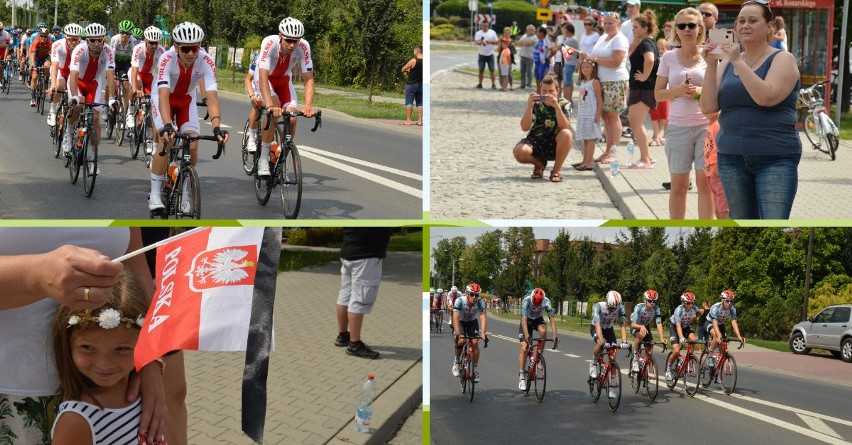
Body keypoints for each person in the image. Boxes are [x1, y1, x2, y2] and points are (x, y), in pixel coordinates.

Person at [0, 228, 170, 445]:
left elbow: (136, 260)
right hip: (15, 395)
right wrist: (37, 274)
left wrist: (150, 357)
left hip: (121, 388)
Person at [700, 0, 801, 219]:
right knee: (743, 228)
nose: (745, 25)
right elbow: (708, 107)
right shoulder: (727, 62)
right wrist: (710, 65)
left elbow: (765, 97)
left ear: (769, 27)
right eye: (741, 21)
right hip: (731, 156)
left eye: (753, 21)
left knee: (771, 228)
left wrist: (738, 61)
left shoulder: (783, 59)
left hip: (775, 157)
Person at [50, 271, 160, 444]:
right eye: (88, 348)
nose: (104, 364)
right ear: (67, 344)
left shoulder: (146, 393)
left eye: (122, 349)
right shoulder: (76, 420)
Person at [149, 22, 229, 213]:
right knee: (165, 141)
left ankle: (185, 191)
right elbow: (163, 95)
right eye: (186, 49)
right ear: (176, 47)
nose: (191, 53)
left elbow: (212, 97)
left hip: (186, 101)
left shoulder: (206, 60)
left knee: (192, 143)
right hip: (163, 98)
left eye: (195, 48)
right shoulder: (167, 59)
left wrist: (216, 127)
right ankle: (154, 195)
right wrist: (167, 125)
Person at [654, 8, 712, 219]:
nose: (687, 29)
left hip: (706, 125)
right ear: (676, 30)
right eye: (682, 26)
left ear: (699, 29)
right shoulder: (669, 57)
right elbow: (658, 95)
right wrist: (678, 90)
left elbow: (720, 91)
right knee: (678, 184)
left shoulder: (709, 55)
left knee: (705, 182)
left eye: (691, 25)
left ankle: (706, 232)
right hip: (678, 127)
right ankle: (676, 229)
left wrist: (700, 93)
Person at [255, 17, 315, 178]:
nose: (292, 45)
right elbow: (262, 77)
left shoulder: (304, 47)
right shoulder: (269, 43)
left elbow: (308, 78)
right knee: (274, 110)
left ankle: (281, 156)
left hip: (283, 80)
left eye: (296, 41)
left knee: (293, 118)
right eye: (289, 40)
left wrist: (308, 105)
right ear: (280, 35)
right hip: (265, 79)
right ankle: (263, 158)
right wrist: (269, 106)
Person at [65, 23, 118, 176]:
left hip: (94, 84)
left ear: (103, 40)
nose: (96, 43)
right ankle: (69, 134)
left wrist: (112, 98)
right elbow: (73, 75)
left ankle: (94, 157)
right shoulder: (79, 50)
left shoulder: (108, 51)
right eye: (92, 40)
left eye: (99, 40)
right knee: (78, 104)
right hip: (78, 82)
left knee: (95, 117)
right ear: (87, 41)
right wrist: (74, 96)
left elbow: (110, 76)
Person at [579, 12, 629, 164]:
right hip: (601, 81)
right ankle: (607, 150)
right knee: (605, 117)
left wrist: (592, 58)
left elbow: (616, 62)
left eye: (610, 23)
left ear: (618, 24)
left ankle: (613, 152)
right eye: (605, 23)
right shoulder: (602, 37)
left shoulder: (620, 39)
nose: (607, 26)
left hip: (615, 81)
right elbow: (595, 58)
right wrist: (586, 58)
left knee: (613, 117)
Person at [335, 228, 392, 359]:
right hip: (366, 255)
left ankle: (343, 336)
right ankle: (354, 345)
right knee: (359, 299)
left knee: (345, 296)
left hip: (349, 252)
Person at [513, 73, 573, 183]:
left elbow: (564, 126)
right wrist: (529, 107)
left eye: (551, 91)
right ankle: (539, 164)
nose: (547, 94)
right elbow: (524, 127)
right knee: (519, 152)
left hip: (555, 143)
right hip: (536, 141)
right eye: (544, 91)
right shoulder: (536, 103)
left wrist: (557, 107)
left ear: (557, 91)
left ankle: (556, 171)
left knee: (567, 134)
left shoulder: (564, 104)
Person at [627, 10, 659, 169]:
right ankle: (648, 157)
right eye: (633, 27)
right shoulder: (646, 41)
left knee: (635, 123)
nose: (633, 30)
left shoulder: (646, 43)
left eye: (636, 27)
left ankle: (645, 160)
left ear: (646, 28)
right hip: (641, 88)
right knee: (636, 123)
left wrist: (645, 76)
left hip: (643, 88)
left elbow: (650, 60)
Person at [130, 26, 166, 156]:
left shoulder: (161, 51)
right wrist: (135, 89)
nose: (154, 46)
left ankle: (149, 137)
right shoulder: (138, 49)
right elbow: (134, 71)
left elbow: (163, 73)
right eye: (151, 42)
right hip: (138, 74)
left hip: (150, 76)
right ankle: (130, 111)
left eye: (156, 43)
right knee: (137, 84)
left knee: (152, 107)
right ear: (145, 40)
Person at [517, 288, 559, 391]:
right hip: (526, 321)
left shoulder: (546, 301)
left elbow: (552, 318)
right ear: (532, 298)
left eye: (538, 305)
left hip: (538, 320)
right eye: (534, 304)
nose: (536, 306)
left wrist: (554, 335)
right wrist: (526, 334)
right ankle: (522, 375)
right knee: (524, 348)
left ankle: (539, 357)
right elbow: (523, 319)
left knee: (544, 331)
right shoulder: (526, 300)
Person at [46, 24, 83, 129]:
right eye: (71, 39)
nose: (74, 42)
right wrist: (53, 85)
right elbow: (55, 65)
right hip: (61, 70)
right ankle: (53, 110)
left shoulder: (84, 46)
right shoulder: (58, 45)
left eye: (76, 39)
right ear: (66, 37)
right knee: (59, 87)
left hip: (75, 73)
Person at [451, 284, 488, 383]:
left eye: (476, 295)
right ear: (467, 294)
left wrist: (483, 332)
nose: (474, 297)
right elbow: (455, 318)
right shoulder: (460, 301)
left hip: (472, 322)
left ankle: (475, 369)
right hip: (461, 321)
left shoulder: (480, 302)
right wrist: (457, 332)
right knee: (462, 340)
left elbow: (483, 317)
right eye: (472, 294)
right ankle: (457, 361)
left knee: (475, 343)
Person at [571, 59, 603, 171]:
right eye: (583, 67)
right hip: (583, 114)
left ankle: (589, 163)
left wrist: (598, 114)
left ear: (593, 68)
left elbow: (599, 99)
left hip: (591, 114)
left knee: (590, 139)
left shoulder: (594, 82)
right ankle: (584, 160)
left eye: (587, 67)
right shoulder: (584, 82)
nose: (585, 69)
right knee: (585, 138)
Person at [589, 290, 628, 378]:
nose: (612, 310)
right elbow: (597, 324)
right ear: (607, 302)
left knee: (613, 356)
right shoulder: (598, 306)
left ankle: (612, 387)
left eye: (615, 309)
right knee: (601, 342)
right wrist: (601, 339)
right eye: (611, 308)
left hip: (609, 329)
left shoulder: (620, 307)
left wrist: (624, 341)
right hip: (596, 327)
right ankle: (593, 363)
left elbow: (623, 324)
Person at [629, 290, 667, 374]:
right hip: (636, 325)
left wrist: (661, 338)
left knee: (650, 346)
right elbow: (632, 324)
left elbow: (658, 323)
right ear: (645, 300)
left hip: (645, 326)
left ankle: (645, 370)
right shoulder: (639, 307)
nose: (652, 303)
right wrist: (641, 326)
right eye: (650, 301)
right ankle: (635, 359)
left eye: (654, 301)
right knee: (640, 336)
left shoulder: (656, 308)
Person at [665, 291, 699, 381]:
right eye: (688, 303)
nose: (691, 305)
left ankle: (688, 360)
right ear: (683, 303)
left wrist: (696, 317)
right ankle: (669, 368)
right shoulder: (679, 310)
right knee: (676, 351)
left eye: (692, 303)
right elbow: (678, 326)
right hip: (675, 327)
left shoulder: (694, 308)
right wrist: (681, 337)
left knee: (694, 339)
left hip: (686, 326)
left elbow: (701, 313)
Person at [705, 290, 745, 363]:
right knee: (716, 335)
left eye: (731, 301)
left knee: (724, 342)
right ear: (722, 300)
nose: (729, 303)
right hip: (710, 322)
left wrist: (739, 336)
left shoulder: (732, 308)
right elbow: (715, 323)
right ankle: (710, 353)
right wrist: (719, 335)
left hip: (720, 324)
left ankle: (719, 360)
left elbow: (734, 323)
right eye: (727, 301)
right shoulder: (716, 307)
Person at [112, 20, 138, 128]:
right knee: (110, 83)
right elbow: (111, 56)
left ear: (130, 34)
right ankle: (107, 104)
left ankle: (125, 109)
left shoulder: (133, 41)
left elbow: (133, 59)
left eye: (127, 33)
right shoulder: (115, 39)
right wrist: (112, 73)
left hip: (126, 63)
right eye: (122, 32)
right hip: (115, 61)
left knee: (127, 84)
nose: (124, 35)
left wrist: (133, 73)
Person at [702, 115, 729, 218]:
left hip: (719, 176)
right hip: (711, 175)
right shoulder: (710, 124)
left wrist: (717, 173)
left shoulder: (719, 124)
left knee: (724, 211)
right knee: (718, 210)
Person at [650, 37, 670, 147]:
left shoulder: (668, 60)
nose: (660, 51)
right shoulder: (654, 60)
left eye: (663, 48)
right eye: (658, 48)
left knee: (664, 116)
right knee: (654, 115)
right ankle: (656, 137)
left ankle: (658, 136)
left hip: (666, 91)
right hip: (654, 91)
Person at [28, 25, 53, 107]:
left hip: (45, 58)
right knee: (34, 77)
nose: (43, 38)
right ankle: (33, 98)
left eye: (45, 36)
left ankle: (45, 81)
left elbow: (51, 54)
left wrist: (53, 64)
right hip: (37, 58)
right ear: (39, 35)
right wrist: (32, 63)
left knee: (47, 66)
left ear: (47, 36)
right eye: (41, 36)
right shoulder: (36, 41)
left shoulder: (49, 42)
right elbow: (33, 54)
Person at [401, 45, 423, 125]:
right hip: (421, 85)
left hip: (411, 84)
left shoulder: (413, 61)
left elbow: (403, 69)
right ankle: (420, 121)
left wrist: (408, 70)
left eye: (414, 51)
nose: (414, 52)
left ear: (417, 51)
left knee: (409, 102)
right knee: (420, 103)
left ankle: (408, 120)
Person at [557, 22, 579, 101]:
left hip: (569, 63)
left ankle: (567, 100)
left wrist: (563, 39)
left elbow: (560, 47)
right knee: (567, 82)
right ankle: (568, 99)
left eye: (564, 29)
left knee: (567, 83)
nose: (563, 31)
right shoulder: (570, 39)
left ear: (568, 30)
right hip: (568, 63)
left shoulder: (571, 40)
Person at [474, 21, 498, 89]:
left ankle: (493, 84)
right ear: (481, 26)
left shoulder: (492, 32)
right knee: (481, 70)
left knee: (492, 70)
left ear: (488, 26)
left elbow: (497, 41)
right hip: (481, 54)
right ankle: (480, 84)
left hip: (490, 54)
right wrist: (481, 42)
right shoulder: (478, 33)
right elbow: (476, 42)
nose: (485, 27)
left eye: (486, 26)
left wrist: (489, 41)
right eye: (483, 26)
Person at [532, 26, 553, 94]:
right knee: (537, 82)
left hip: (543, 64)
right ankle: (538, 98)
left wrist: (548, 57)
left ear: (541, 33)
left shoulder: (546, 41)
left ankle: (543, 99)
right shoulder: (537, 41)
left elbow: (553, 50)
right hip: (537, 63)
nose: (536, 33)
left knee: (542, 82)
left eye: (537, 32)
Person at [516, 24, 537, 89]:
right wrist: (523, 43)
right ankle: (522, 84)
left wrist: (523, 43)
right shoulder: (524, 36)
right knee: (522, 71)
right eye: (529, 29)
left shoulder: (535, 37)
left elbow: (529, 43)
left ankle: (529, 84)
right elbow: (519, 43)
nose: (530, 31)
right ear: (527, 30)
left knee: (529, 71)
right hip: (522, 55)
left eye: (532, 30)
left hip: (530, 56)